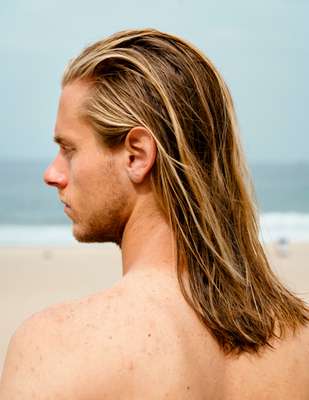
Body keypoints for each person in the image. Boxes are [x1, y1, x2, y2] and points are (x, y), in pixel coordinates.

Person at [0, 28, 308, 399]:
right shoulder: (299, 342)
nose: (53, 174)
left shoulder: (53, 347)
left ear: (137, 155)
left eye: (69, 149)